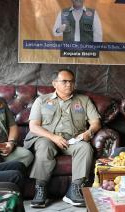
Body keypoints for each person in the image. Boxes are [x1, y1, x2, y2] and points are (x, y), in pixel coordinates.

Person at [23, 69, 101, 207]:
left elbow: (95, 122)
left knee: (85, 147)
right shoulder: (41, 100)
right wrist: (53, 137)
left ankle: (75, 190)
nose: (69, 85)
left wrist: (89, 132)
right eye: (64, 81)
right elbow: (34, 126)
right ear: (54, 84)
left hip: (72, 141)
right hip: (47, 138)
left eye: (71, 81)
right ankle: (40, 189)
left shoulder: (83, 100)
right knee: (44, 146)